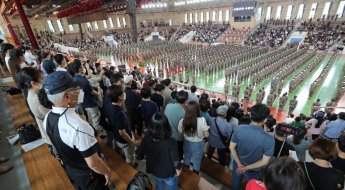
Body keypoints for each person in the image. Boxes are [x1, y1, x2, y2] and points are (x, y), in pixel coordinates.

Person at [42, 71, 111, 189]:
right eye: (77, 89)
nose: (81, 91)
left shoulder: (48, 117)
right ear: (67, 96)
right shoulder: (78, 126)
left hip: (74, 170)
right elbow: (93, 163)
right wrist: (107, 171)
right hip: (91, 176)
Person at [230, 103, 274, 190]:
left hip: (238, 165)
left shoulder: (239, 128)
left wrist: (240, 165)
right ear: (265, 120)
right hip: (254, 169)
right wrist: (245, 168)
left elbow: (231, 147)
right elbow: (264, 162)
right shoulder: (270, 139)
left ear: (250, 115)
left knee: (235, 186)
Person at [136, 113, 182, 190]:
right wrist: (178, 169)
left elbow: (139, 154)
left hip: (155, 171)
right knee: (172, 187)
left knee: (159, 185)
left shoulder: (146, 138)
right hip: (168, 173)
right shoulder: (171, 142)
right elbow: (175, 159)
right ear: (166, 126)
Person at [107, 85, 141, 166]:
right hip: (125, 141)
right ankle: (131, 167)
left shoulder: (110, 105)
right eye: (123, 93)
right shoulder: (119, 113)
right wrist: (133, 143)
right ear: (120, 97)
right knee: (130, 157)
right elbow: (122, 132)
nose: (125, 94)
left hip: (117, 137)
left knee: (127, 152)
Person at [69, 60, 105, 136]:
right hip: (90, 103)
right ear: (79, 69)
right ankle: (99, 134)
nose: (83, 67)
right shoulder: (83, 81)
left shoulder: (74, 78)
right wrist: (98, 93)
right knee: (96, 119)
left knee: (91, 118)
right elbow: (92, 92)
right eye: (82, 66)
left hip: (83, 103)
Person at [17, 67, 51, 145]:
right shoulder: (37, 99)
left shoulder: (31, 92)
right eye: (40, 78)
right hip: (51, 131)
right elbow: (52, 116)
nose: (43, 79)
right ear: (33, 83)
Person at [178, 101, 209, 173]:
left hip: (186, 142)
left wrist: (188, 135)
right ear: (198, 110)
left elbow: (180, 133)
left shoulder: (182, 120)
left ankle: (186, 174)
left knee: (186, 158)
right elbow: (207, 135)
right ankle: (195, 177)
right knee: (197, 161)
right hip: (198, 144)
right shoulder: (202, 120)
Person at [164, 90, 188, 160]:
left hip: (167, 135)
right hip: (178, 138)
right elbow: (183, 129)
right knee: (178, 155)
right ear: (186, 101)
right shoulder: (184, 113)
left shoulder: (168, 106)